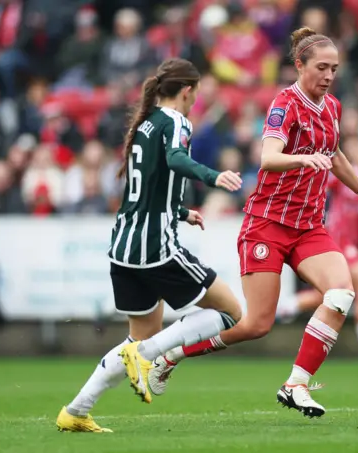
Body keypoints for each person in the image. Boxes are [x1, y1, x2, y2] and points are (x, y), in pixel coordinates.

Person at [147, 27, 358, 418]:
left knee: (341, 293)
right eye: (322, 67)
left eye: (334, 68)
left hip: (308, 227)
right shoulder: (284, 103)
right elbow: (268, 157)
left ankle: (296, 385)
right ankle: (172, 354)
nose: (330, 75)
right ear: (299, 65)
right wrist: (304, 158)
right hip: (266, 223)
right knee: (255, 325)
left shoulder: (332, 107)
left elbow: (335, 156)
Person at [56, 58, 244, 433]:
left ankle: (76, 410)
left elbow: (147, 186)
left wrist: (180, 211)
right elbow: (176, 159)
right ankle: (146, 357)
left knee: (137, 337)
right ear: (187, 91)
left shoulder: (144, 123)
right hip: (155, 248)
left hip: (124, 247)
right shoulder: (176, 121)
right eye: (196, 92)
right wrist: (213, 175)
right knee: (230, 312)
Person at [277, 138, 358, 368]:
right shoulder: (343, 177)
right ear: (357, 155)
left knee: (330, 294)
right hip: (337, 241)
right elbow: (314, 186)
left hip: (357, 244)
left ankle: (286, 306)